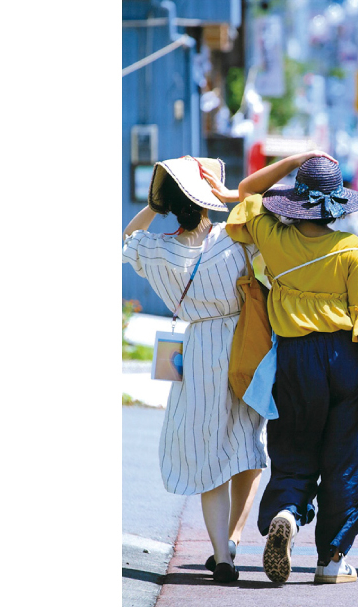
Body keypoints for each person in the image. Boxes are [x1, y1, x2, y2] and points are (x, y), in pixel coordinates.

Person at [218, 151, 358, 585]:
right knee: (351, 460)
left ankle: (287, 513)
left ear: (297, 202)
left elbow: (247, 191)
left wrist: (296, 159)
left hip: (292, 360)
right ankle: (331, 560)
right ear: (337, 204)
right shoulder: (351, 250)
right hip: (345, 359)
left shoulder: (272, 235)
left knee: (293, 451)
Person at [122, 156, 267, 584]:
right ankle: (235, 541)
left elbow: (128, 235)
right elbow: (265, 208)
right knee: (248, 448)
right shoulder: (234, 240)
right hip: (243, 348)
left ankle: (223, 555)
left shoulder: (157, 249)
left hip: (195, 350)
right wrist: (230, 195)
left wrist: (156, 204)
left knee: (210, 455)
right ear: (207, 201)